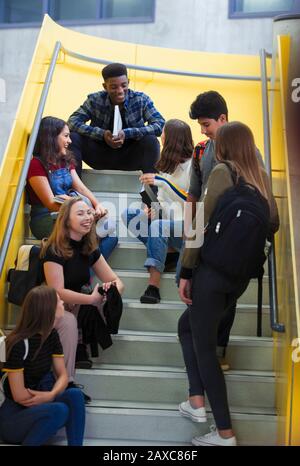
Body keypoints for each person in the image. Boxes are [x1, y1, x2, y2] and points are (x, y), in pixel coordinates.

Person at [177, 122, 279, 446]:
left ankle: (224, 433)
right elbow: (273, 224)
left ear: (225, 146)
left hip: (211, 273)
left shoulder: (224, 171)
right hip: (238, 278)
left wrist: (186, 271)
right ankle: (195, 400)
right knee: (187, 327)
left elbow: (198, 222)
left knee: (204, 349)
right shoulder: (261, 178)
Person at [184, 90, 264, 370]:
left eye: (207, 125)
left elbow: (262, 197)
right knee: (196, 293)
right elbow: (193, 196)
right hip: (205, 235)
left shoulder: (249, 152)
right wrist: (189, 230)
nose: (203, 131)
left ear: (223, 118)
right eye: (200, 126)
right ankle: (203, 350)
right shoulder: (202, 151)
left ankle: (216, 351)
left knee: (223, 300)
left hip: (232, 241)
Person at [40, 197, 124, 377]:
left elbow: (117, 281)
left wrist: (110, 289)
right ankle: (66, 381)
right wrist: (90, 299)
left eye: (89, 212)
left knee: (108, 300)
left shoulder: (89, 248)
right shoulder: (53, 249)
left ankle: (80, 344)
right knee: (69, 319)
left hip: (77, 304)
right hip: (51, 307)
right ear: (66, 221)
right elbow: (57, 292)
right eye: (80, 214)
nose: (87, 217)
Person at [0, 285, 85, 446]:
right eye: (59, 301)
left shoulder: (51, 334)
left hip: (38, 407)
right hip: (12, 420)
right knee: (59, 410)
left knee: (75, 395)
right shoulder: (17, 343)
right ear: (49, 308)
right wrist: (48, 398)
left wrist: (51, 394)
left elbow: (63, 376)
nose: (63, 304)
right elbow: (20, 396)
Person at [121, 119, 193, 303]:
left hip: (189, 228)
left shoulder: (194, 167)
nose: (161, 138)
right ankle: (168, 254)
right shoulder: (167, 168)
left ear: (172, 141)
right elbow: (162, 200)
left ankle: (153, 287)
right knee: (129, 215)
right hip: (168, 225)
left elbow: (191, 202)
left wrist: (163, 183)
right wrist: (153, 209)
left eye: (164, 135)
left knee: (159, 227)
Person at [26, 116, 117, 260]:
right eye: (66, 136)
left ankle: (83, 277)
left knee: (111, 236)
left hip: (71, 213)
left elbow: (80, 187)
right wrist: (83, 211)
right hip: (46, 218)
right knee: (86, 238)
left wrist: (96, 205)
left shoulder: (66, 160)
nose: (70, 141)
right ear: (51, 137)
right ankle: (79, 275)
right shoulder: (35, 165)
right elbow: (51, 203)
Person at [68, 62, 165, 177]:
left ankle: (152, 190)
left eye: (124, 85)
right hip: (100, 155)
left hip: (130, 157)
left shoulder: (141, 99)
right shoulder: (95, 100)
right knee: (73, 137)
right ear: (105, 87)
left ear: (128, 82)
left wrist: (128, 133)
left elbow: (160, 124)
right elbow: (72, 122)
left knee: (151, 141)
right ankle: (74, 187)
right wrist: (102, 134)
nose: (120, 91)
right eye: (114, 87)